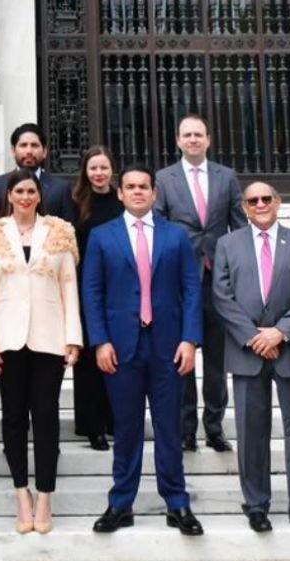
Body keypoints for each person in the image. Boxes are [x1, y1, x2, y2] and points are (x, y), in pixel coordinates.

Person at [82, 164, 203, 536]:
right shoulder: (102, 236)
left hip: (169, 347)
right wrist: (100, 341)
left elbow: (191, 289)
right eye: (130, 186)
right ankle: (121, 503)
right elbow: (92, 292)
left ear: (154, 193)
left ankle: (177, 503)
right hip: (121, 348)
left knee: (169, 428)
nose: (137, 192)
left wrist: (190, 340)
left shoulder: (175, 235)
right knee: (126, 428)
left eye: (143, 187)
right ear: (120, 193)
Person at [212, 182, 290, 533]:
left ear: (278, 202)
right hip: (247, 352)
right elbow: (222, 297)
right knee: (250, 432)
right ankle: (256, 505)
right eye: (252, 200)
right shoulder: (227, 244)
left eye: (266, 198)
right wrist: (253, 337)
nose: (259, 204)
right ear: (244, 207)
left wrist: (280, 332)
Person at [0, 169, 81, 534]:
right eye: (18, 191)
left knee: (47, 416)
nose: (25, 196)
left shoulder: (60, 231)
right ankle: (22, 492)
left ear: (39, 195)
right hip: (8, 339)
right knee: (14, 416)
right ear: (9, 195)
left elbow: (69, 287)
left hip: (50, 337)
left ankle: (45, 494)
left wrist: (73, 338)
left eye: (30, 191)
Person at [154, 113, 245, 453]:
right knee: (183, 357)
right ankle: (186, 429)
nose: (193, 139)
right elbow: (159, 228)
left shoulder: (226, 176)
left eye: (198, 134)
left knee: (218, 360)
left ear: (208, 139)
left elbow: (240, 226)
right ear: (178, 140)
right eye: (187, 135)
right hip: (180, 280)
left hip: (218, 281)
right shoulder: (164, 178)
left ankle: (215, 427)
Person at [70, 145, 122, 451]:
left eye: (104, 167)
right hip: (85, 287)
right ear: (85, 171)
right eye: (93, 168)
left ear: (112, 169)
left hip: (118, 287)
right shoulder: (75, 202)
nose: (99, 173)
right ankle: (92, 426)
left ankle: (115, 418)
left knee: (116, 354)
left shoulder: (122, 200)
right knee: (90, 358)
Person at [0, 123, 75, 220]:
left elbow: (68, 226)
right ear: (13, 151)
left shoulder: (60, 188)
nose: (29, 151)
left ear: (44, 152)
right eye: (23, 145)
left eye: (34, 145)